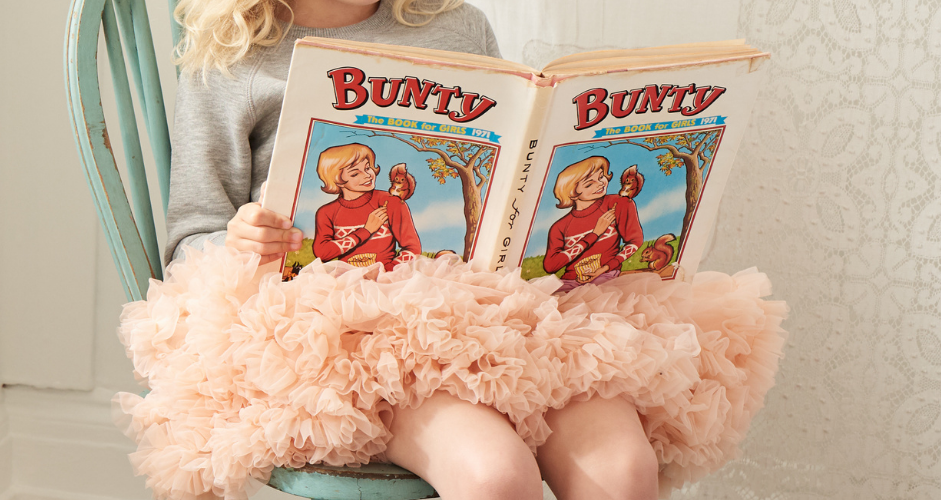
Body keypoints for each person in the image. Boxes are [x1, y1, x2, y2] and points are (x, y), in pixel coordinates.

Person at [162, 1, 658, 499]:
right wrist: (240, 239)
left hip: (502, 310)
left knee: (624, 469)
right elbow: (192, 233)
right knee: (496, 474)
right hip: (347, 338)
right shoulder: (232, 51)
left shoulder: (456, 25)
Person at [310, 143, 422, 270]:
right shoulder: (326, 212)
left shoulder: (390, 202)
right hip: (345, 281)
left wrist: (388, 272)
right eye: (355, 174)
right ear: (336, 180)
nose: (367, 175)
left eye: (367, 168)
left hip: (386, 279)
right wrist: (366, 231)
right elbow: (322, 253)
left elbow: (413, 248)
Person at [542, 155, 645, 294]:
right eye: (589, 184)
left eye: (601, 176)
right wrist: (594, 234)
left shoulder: (619, 203)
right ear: (572, 193)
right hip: (569, 283)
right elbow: (550, 266)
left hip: (606, 277)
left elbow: (635, 241)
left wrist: (606, 268)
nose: (601, 183)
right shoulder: (559, 227)